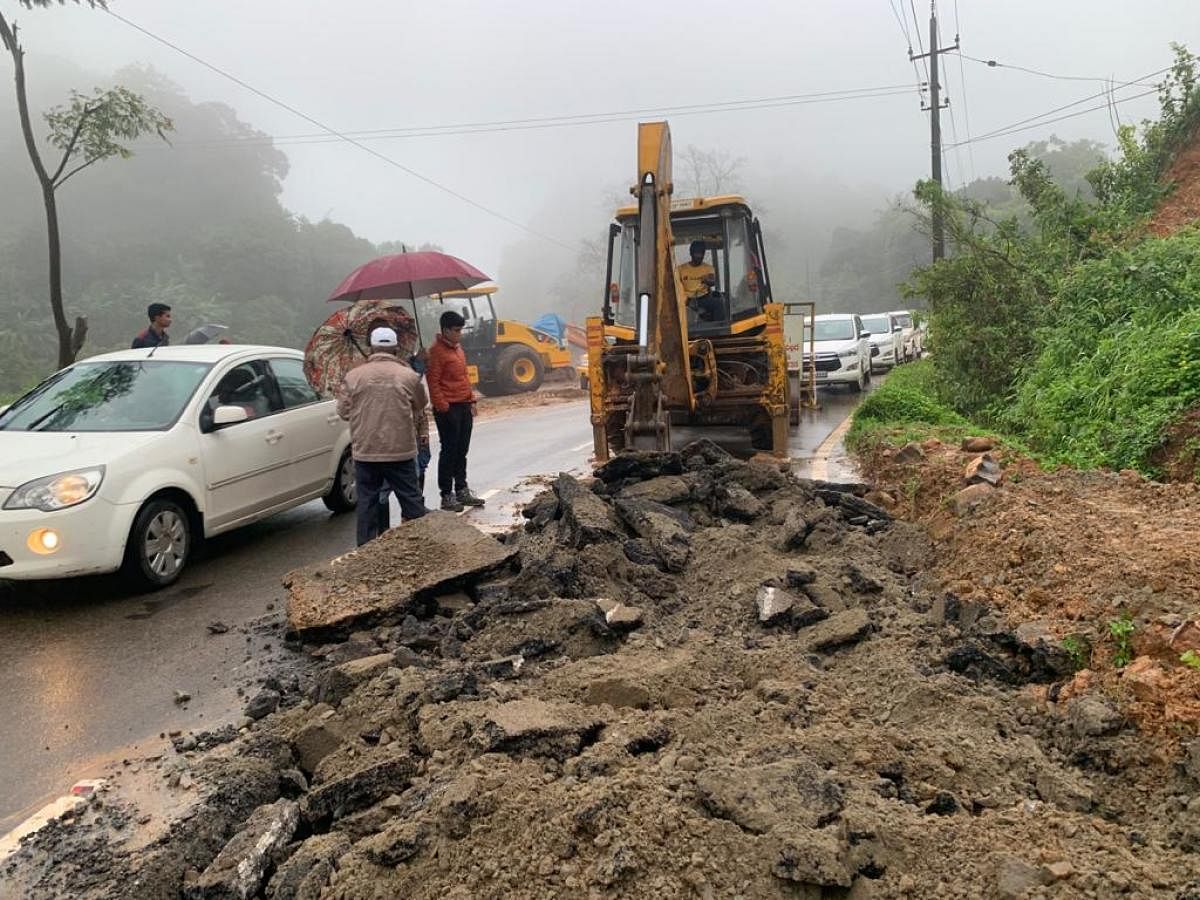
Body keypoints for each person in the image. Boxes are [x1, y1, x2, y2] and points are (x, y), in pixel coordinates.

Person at [337, 326, 428, 546]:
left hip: (366, 452)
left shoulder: (353, 376)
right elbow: (421, 403)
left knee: (367, 503)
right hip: (401, 451)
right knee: (411, 502)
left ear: (371, 347)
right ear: (396, 348)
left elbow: (343, 411)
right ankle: (422, 550)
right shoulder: (408, 376)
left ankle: (366, 553)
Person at [426, 310, 485, 512]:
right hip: (448, 408)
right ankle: (446, 494)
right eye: (456, 330)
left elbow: (464, 378)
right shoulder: (436, 351)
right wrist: (443, 406)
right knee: (449, 450)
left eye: (461, 330)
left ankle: (462, 489)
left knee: (462, 450)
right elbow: (432, 382)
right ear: (445, 330)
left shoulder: (458, 350)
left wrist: (471, 400)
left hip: (463, 405)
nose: (460, 333)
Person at [677, 241, 723, 321]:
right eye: (697, 253)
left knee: (718, 303)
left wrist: (707, 281)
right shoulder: (680, 269)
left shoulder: (708, 268)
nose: (699, 256)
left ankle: (719, 329)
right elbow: (677, 288)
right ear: (691, 253)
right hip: (686, 299)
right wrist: (687, 301)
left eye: (701, 254)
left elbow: (712, 281)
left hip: (703, 298)